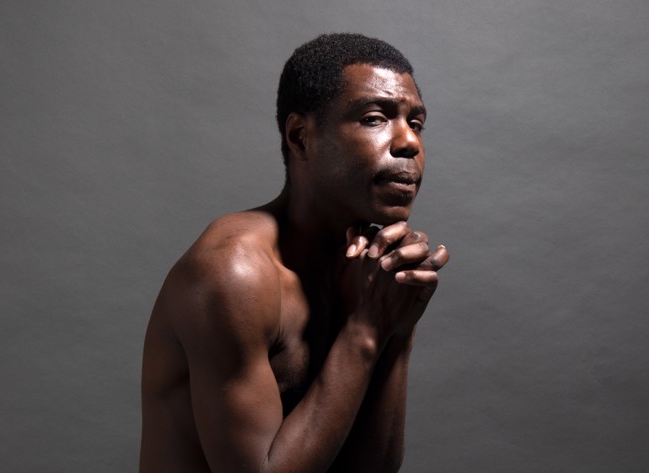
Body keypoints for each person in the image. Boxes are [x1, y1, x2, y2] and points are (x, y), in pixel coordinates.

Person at [139, 33, 450, 473]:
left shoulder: (366, 274)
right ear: (301, 138)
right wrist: (366, 330)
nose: (409, 143)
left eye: (416, 124)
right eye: (375, 118)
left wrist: (396, 330)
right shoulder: (234, 272)